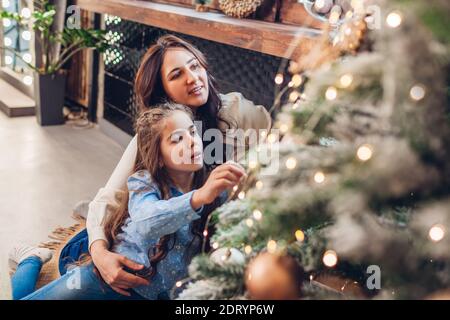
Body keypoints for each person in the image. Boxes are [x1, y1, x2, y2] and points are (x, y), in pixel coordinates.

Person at [16, 34, 271, 297]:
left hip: (198, 253)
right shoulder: (152, 137)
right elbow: (109, 200)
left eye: (195, 66)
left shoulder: (236, 110)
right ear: (163, 93)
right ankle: (34, 258)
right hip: (146, 247)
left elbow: (285, 137)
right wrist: (101, 254)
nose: (193, 78)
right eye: (176, 75)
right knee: (86, 261)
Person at [9, 103, 246, 299]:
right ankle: (31, 259)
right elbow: (147, 221)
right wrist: (199, 197)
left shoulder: (214, 186)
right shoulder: (144, 182)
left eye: (192, 132)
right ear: (159, 157)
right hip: (107, 281)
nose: (192, 142)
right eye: (177, 139)